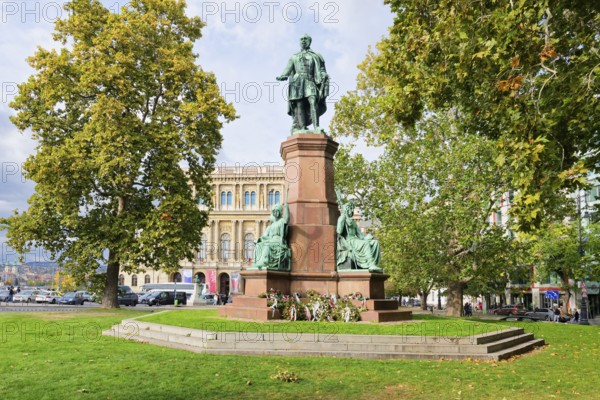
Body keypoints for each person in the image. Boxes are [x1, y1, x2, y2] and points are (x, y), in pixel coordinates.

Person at [276, 34, 329, 133]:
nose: (303, 41)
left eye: (305, 39)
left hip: (310, 80)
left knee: (313, 101)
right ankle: (302, 127)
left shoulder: (316, 55)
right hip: (297, 82)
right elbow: (288, 68)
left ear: (310, 41)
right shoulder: (294, 56)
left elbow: (322, 69)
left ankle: (316, 126)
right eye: (301, 39)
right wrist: (283, 75)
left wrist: (323, 74)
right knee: (299, 104)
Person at [336, 201, 381, 272]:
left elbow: (360, 235)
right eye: (351, 209)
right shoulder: (342, 219)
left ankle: (373, 264)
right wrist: (342, 220)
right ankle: (370, 264)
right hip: (349, 241)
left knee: (375, 243)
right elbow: (339, 231)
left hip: (356, 240)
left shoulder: (353, 222)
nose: (352, 211)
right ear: (347, 210)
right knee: (365, 244)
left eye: (352, 209)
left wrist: (368, 238)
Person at [250, 201, 291, 270]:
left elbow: (287, 218)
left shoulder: (282, 221)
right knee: (258, 245)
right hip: (271, 240)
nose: (276, 213)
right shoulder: (272, 225)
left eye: (277, 211)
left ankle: (264, 262)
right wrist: (260, 240)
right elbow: (267, 236)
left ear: (280, 212)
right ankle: (257, 262)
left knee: (267, 245)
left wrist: (286, 207)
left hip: (278, 241)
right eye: (274, 211)